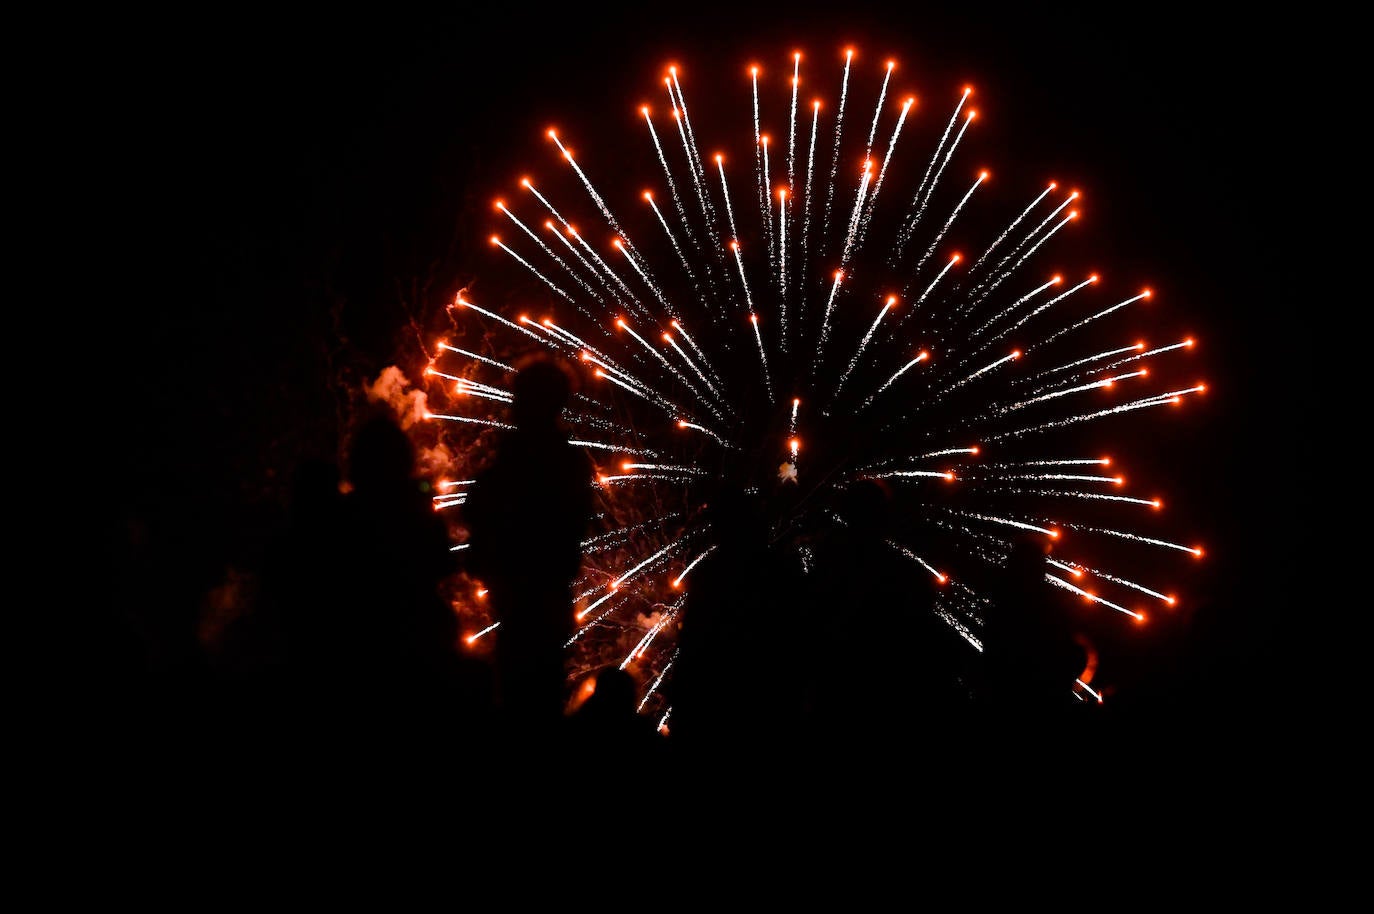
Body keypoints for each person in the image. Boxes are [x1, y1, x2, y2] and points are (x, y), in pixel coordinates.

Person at [461, 355, 596, 747]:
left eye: (519, 396)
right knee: (542, 696)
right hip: (547, 594)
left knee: (519, 696)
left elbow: (479, 507)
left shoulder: (520, 457)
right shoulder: (568, 460)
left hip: (522, 594)